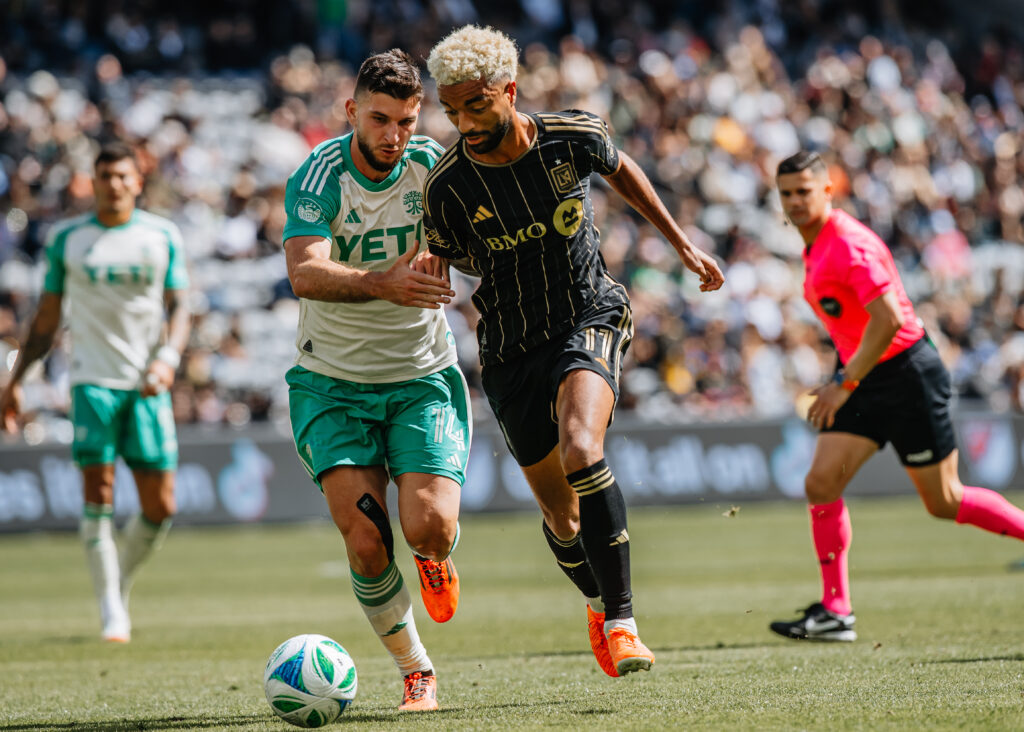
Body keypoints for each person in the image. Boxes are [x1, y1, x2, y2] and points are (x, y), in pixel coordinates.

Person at [423, 26, 724, 677]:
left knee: (583, 449)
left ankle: (623, 622)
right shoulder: (448, 186)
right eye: (450, 110)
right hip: (508, 348)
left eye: (475, 104)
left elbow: (623, 172)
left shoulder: (572, 135)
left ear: (507, 90)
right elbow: (446, 260)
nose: (463, 121)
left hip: (588, 315)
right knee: (561, 520)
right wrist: (428, 272)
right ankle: (596, 603)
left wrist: (682, 245)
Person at [770, 150, 1024, 641]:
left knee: (944, 501)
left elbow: (887, 321)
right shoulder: (816, 243)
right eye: (786, 194)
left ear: (828, 189)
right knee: (821, 483)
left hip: (905, 376)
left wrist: (842, 385)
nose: (796, 202)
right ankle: (836, 613)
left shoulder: (848, 244)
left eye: (804, 191)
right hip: (864, 375)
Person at [282, 49, 470, 712]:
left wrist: (449, 253)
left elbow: (475, 238)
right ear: (351, 111)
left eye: (406, 121)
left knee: (428, 528)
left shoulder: (434, 167)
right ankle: (417, 670)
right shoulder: (319, 175)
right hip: (331, 382)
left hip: (420, 377)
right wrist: (380, 283)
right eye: (380, 119)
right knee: (365, 541)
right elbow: (304, 273)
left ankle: (434, 554)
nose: (394, 135)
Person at [0, 142, 192, 643]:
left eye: (122, 176)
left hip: (147, 382)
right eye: (105, 175)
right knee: (99, 495)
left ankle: (117, 581)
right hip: (91, 383)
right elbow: (45, 321)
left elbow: (180, 309)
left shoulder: (161, 235)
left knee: (161, 507)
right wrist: (15, 380)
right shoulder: (69, 239)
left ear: (137, 181)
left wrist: (168, 359)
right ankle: (112, 609)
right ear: (94, 180)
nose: (114, 184)